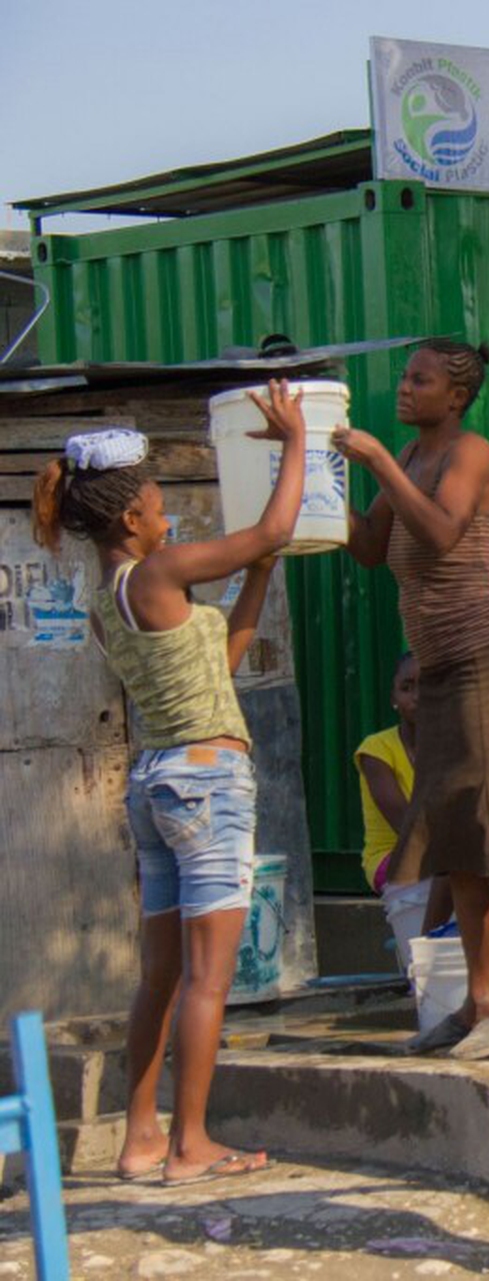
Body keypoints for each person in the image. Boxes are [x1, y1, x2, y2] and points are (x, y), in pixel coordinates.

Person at [32, 393, 307, 1188]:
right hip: (208, 784)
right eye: (158, 510)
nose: (168, 522)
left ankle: (142, 1135)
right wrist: (292, 445)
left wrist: (258, 578)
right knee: (208, 977)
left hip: (157, 784)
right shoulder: (159, 572)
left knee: (159, 975)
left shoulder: (106, 602)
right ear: (130, 523)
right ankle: (191, 1144)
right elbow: (276, 527)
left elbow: (215, 666)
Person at [333, 338, 489, 1061]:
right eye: (405, 377)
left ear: (456, 395)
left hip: (488, 659)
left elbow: (438, 533)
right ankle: (481, 998)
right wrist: (313, 479)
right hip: (441, 669)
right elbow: (373, 545)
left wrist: (373, 461)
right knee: (459, 837)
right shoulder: (407, 458)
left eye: (420, 379)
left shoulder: (470, 455)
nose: (405, 388)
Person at [355, 652, 451, 959]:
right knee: (454, 865)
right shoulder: (376, 750)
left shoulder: (455, 745)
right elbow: (407, 826)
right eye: (407, 688)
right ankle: (424, 959)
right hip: (391, 858)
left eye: (427, 686)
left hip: (440, 852)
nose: (417, 697)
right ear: (394, 698)